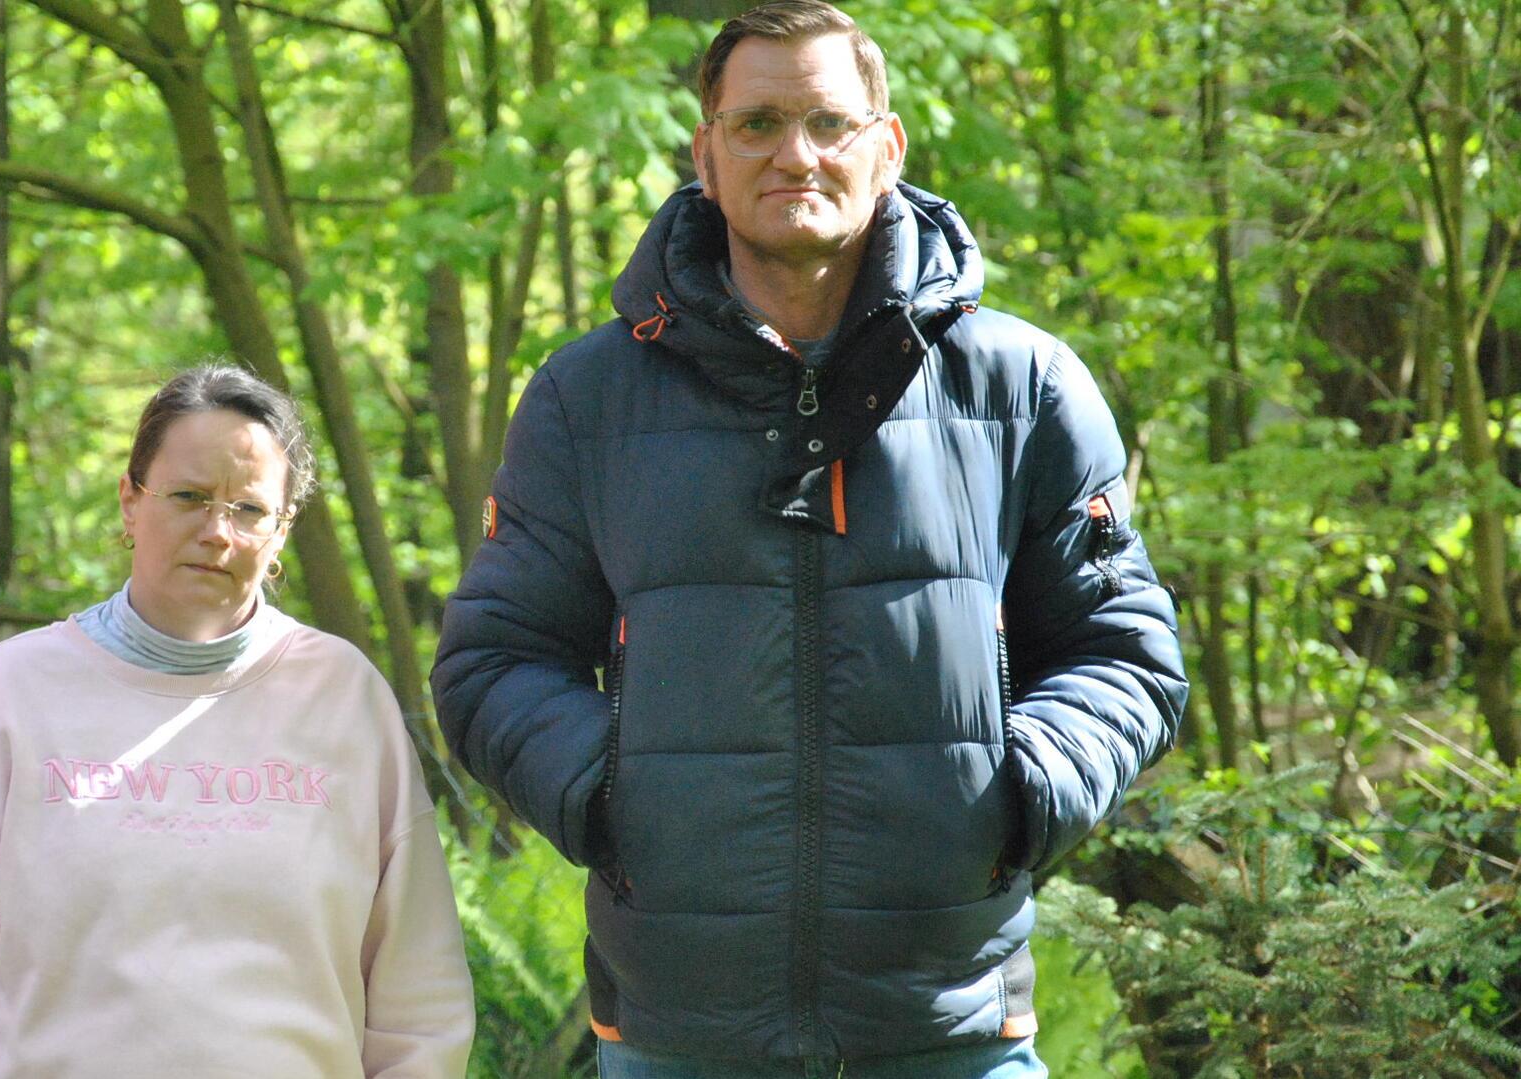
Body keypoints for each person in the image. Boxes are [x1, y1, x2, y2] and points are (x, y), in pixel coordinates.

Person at [432, 2, 1187, 1076]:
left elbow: (1127, 654)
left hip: (955, 1023)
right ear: (705, 154)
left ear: (886, 149)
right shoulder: (585, 399)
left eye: (831, 122)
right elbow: (491, 660)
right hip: (676, 1028)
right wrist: (622, 797)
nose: (796, 153)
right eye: (757, 124)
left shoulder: (1023, 387)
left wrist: (1013, 790)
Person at [0, 366, 474, 1078]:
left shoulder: (343, 698)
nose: (217, 531)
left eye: (248, 509)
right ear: (130, 500)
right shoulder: (12, 693)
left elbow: (418, 999)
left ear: (282, 532)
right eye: (189, 496)